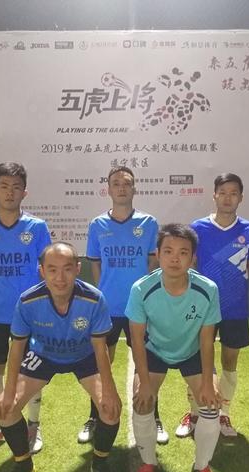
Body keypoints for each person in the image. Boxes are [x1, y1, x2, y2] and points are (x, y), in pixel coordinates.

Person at [0, 242, 122, 472]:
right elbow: (17, 347)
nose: (60, 277)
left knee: (111, 409)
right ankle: (24, 467)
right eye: (52, 270)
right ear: (41, 271)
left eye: (67, 269)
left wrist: (110, 390)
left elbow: (100, 347)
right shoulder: (28, 301)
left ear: (78, 268)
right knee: (6, 408)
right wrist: (9, 390)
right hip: (44, 355)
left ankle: (99, 463)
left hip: (84, 356)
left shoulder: (94, 299)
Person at [0, 162, 51, 456]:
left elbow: (45, 268)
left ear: (25, 192)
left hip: (29, 314)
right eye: (4, 186)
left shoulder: (37, 227)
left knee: (31, 369)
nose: (10, 192)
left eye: (16, 187)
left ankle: (33, 425)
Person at [79, 166, 168, 444]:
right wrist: (104, 294)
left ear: (134, 189)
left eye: (126, 183)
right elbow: (96, 264)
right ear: (108, 189)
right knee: (100, 363)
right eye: (116, 183)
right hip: (107, 308)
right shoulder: (97, 225)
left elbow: (153, 262)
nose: (121, 187)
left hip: (140, 307)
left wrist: (142, 294)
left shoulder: (148, 223)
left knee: (148, 363)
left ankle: (153, 416)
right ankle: (95, 416)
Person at [127, 224, 222, 472]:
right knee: (142, 401)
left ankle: (202, 467)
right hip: (155, 351)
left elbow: (207, 340)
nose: (175, 259)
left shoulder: (208, 289)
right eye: (168, 251)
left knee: (211, 404)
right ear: (158, 254)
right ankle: (148, 463)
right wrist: (144, 382)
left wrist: (207, 383)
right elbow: (137, 339)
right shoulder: (141, 289)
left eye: (183, 253)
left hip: (192, 351)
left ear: (193, 258)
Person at [176, 173, 249, 439]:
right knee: (196, 359)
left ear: (241, 197)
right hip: (202, 309)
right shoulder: (198, 228)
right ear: (214, 195)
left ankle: (223, 413)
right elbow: (190, 265)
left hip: (235, 309)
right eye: (223, 192)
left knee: (229, 362)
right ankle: (194, 413)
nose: (228, 198)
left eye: (233, 193)